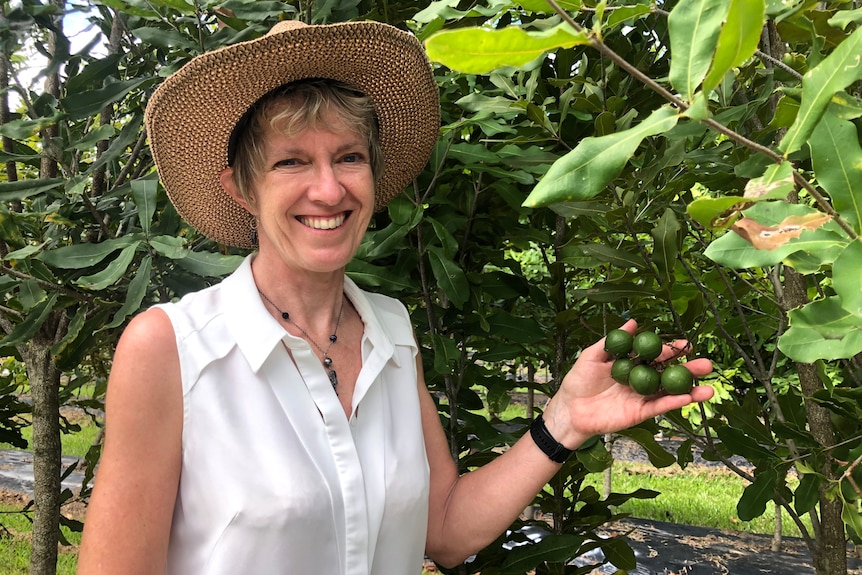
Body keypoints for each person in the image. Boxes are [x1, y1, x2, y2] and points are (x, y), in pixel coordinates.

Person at [77, 19, 714, 575]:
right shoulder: (172, 349)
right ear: (240, 188)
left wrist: (565, 421)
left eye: (349, 157)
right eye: (291, 163)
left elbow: (444, 531)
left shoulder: (390, 328)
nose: (328, 191)